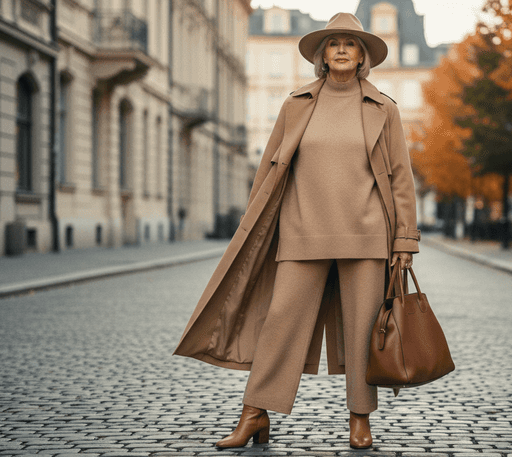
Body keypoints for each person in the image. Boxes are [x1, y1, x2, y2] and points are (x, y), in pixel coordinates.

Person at [172, 12, 420, 450]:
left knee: (365, 330)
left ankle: (360, 419)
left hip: (366, 235)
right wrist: (257, 229)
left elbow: (401, 180)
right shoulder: (296, 105)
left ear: (363, 55)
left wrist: (404, 240)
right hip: (302, 231)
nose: (342, 48)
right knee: (279, 324)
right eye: (333, 42)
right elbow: (268, 172)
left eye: (350, 43)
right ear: (322, 55)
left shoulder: (384, 109)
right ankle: (254, 414)